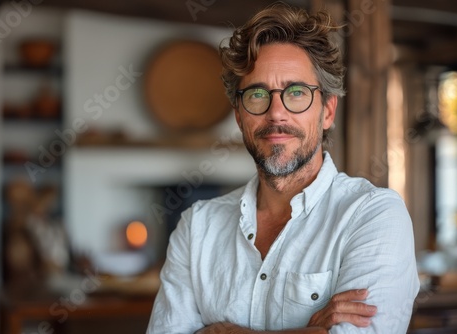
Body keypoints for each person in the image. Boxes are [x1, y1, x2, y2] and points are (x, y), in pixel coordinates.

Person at [146, 2, 420, 333]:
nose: (277, 113)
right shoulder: (197, 228)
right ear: (239, 116)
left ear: (327, 111)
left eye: (296, 92)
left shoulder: (373, 215)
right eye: (258, 95)